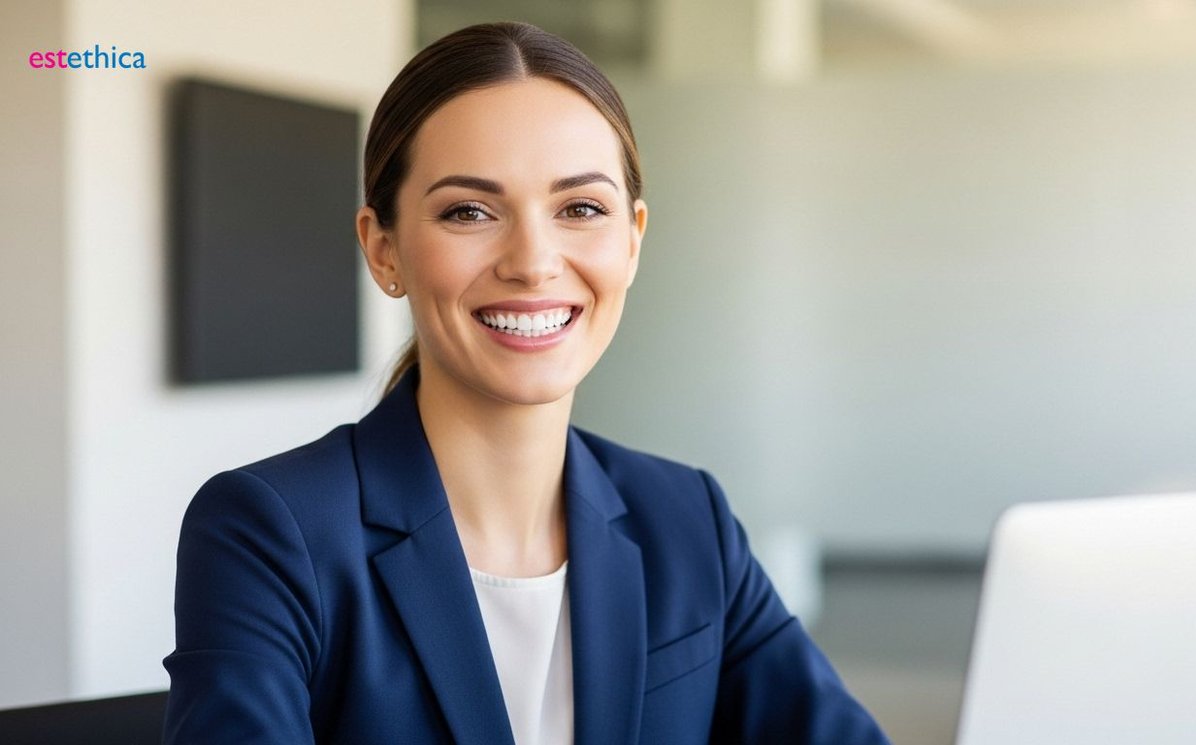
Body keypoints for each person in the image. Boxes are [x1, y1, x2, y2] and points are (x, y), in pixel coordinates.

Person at [163, 21, 889, 744]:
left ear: (632, 240)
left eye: (581, 209)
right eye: (469, 211)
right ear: (384, 250)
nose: (533, 262)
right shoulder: (270, 532)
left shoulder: (686, 518)